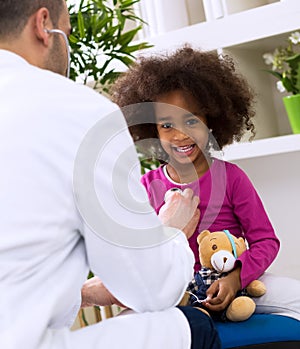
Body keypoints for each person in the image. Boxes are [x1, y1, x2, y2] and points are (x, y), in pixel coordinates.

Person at [0, 2, 221, 349]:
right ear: (44, 25)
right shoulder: (75, 109)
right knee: (191, 325)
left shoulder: (229, 177)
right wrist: (170, 233)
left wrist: (84, 293)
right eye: (67, 33)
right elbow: (153, 288)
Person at [111, 45, 300, 321]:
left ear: (211, 121)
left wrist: (236, 277)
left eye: (191, 120)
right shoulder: (146, 187)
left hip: (240, 284)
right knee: (125, 323)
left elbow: (265, 241)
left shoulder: (232, 177)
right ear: (152, 130)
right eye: (166, 125)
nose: (179, 136)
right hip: (179, 294)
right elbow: (141, 255)